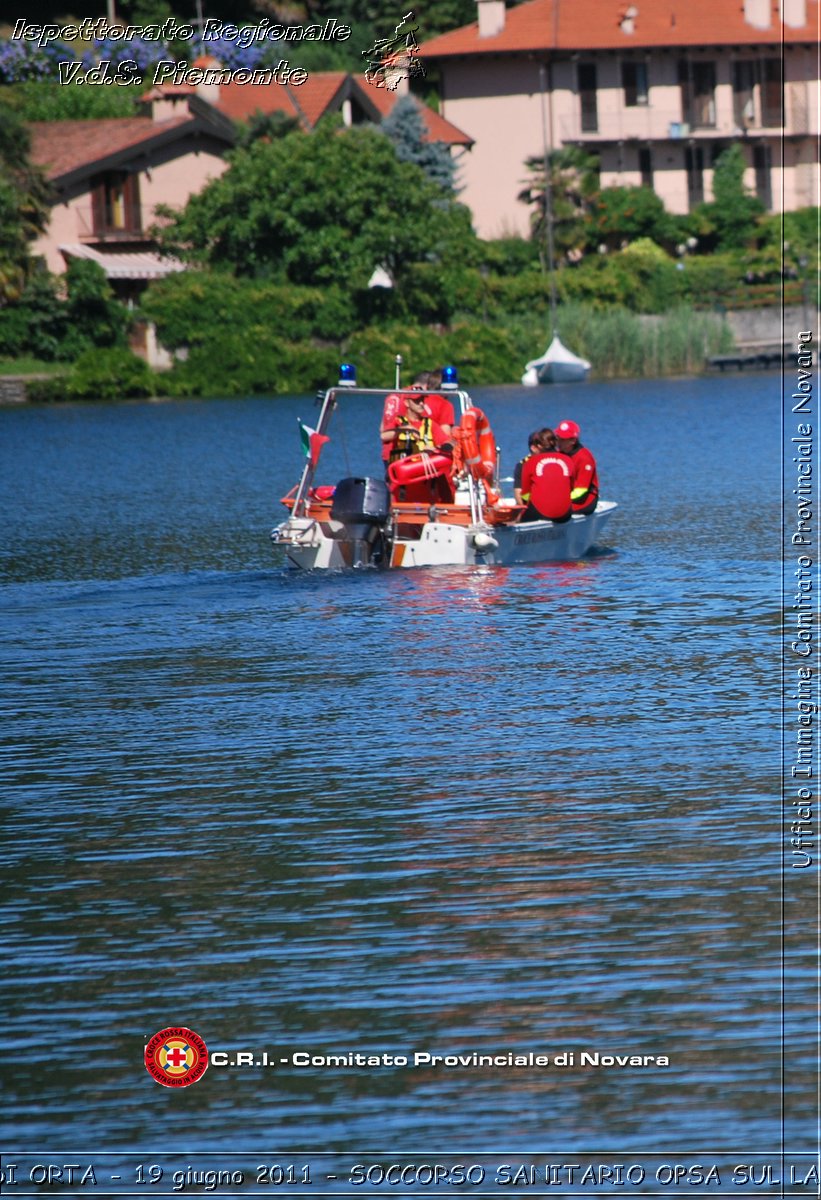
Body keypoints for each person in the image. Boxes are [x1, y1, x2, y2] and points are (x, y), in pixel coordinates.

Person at [519, 441, 573, 522]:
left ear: (537, 447)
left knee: (519, 517)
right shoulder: (567, 459)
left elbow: (525, 495)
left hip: (539, 513)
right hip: (564, 514)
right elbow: (571, 487)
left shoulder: (529, 462)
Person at [554, 419, 599, 515]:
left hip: (585, 500)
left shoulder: (584, 458)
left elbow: (580, 491)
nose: (558, 442)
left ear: (573, 441)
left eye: (562, 440)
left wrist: (559, 500)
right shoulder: (558, 455)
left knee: (556, 511)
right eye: (557, 438)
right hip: (565, 497)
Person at [513, 428, 555, 505]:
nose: (550, 451)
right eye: (545, 448)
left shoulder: (556, 462)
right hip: (532, 507)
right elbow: (518, 494)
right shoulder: (522, 465)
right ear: (534, 448)